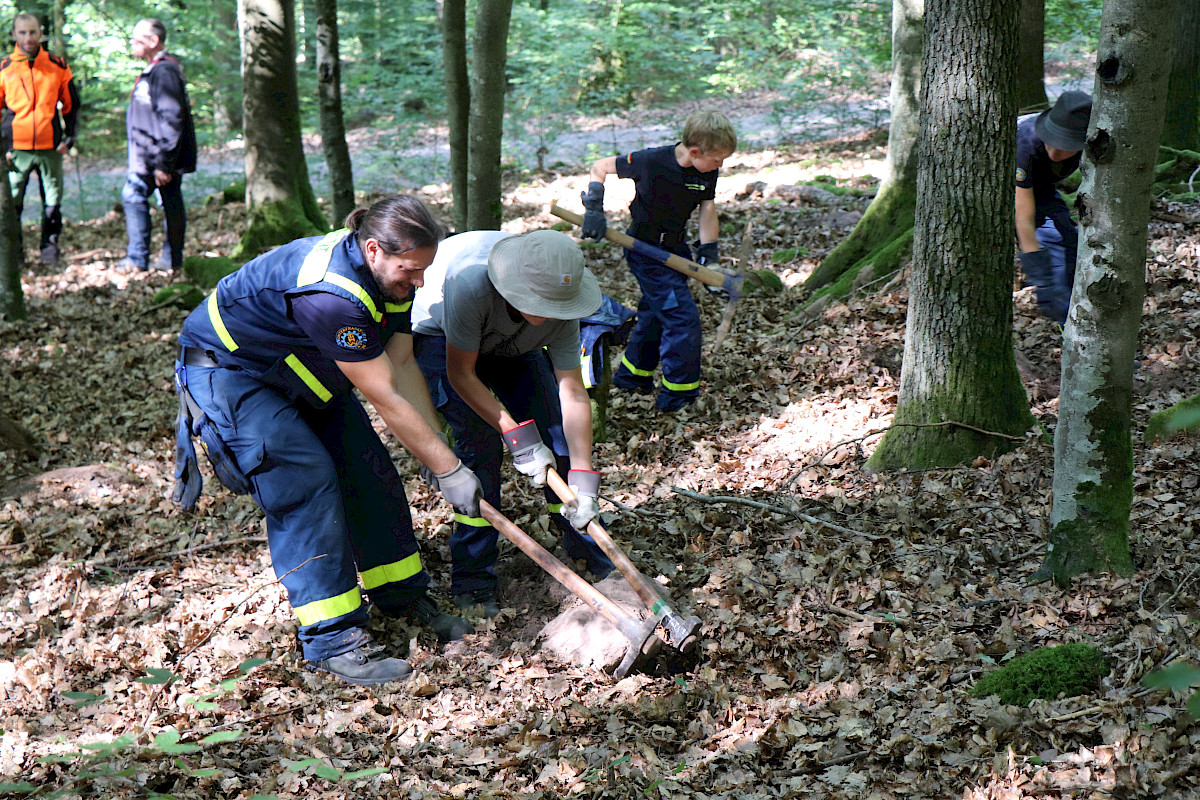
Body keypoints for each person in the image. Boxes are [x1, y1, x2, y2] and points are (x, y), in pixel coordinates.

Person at [172, 195, 482, 686]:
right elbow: (382, 393)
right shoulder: (331, 293)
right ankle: (332, 639)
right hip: (232, 373)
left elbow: (401, 365)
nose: (419, 281)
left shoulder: (391, 281)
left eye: (425, 269)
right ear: (374, 249)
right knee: (306, 483)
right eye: (410, 269)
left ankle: (401, 597)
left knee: (369, 470)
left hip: (300, 367)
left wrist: (435, 445)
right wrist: (450, 469)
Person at [410, 229, 616, 617]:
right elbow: (462, 375)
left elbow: (571, 391)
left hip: (513, 343)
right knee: (480, 447)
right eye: (542, 303)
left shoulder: (560, 305)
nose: (552, 312)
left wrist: (585, 480)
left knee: (557, 436)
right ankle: (474, 578)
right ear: (516, 288)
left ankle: (587, 544)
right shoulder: (470, 284)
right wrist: (515, 436)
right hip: (441, 337)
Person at [579, 110, 737, 411]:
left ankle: (632, 375)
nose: (720, 165)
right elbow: (600, 166)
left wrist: (710, 253)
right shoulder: (651, 161)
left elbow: (707, 208)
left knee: (655, 312)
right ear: (694, 151)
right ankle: (678, 397)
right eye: (717, 159)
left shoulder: (706, 170)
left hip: (676, 251)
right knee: (681, 319)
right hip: (645, 251)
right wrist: (594, 208)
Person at [0, 12, 80, 266]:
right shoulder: (4, 69)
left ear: (41, 33)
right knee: (13, 205)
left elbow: (72, 106)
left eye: (33, 32)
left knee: (52, 204)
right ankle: (15, 257)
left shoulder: (57, 65)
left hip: (51, 147)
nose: (28, 38)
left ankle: (50, 254)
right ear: (14, 35)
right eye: (22, 32)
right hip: (16, 150)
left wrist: (70, 138)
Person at [121, 18, 196, 273]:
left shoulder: (164, 70)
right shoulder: (156, 69)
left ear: (153, 41)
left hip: (159, 159)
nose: (132, 42)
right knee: (168, 199)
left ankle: (141, 258)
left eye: (137, 37)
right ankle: (167, 259)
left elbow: (172, 119)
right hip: (151, 157)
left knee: (135, 196)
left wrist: (165, 163)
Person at [1015, 90, 1092, 326]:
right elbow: (1023, 217)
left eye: (1066, 145)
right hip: (1011, 187)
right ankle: (1067, 323)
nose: (1056, 151)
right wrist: (1042, 279)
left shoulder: (1099, 143)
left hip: (1043, 187)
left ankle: (1087, 338)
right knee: (1055, 272)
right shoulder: (1025, 145)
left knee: (1070, 246)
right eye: (1053, 140)